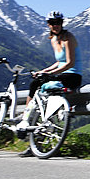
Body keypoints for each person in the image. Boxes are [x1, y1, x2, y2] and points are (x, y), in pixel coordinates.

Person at [18, 10, 82, 157]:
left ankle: (27, 120)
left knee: (39, 85)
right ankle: (28, 124)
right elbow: (59, 62)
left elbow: (70, 62)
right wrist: (43, 71)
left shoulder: (68, 37)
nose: (56, 25)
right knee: (35, 84)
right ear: (48, 25)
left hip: (73, 76)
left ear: (62, 23)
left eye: (58, 22)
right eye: (53, 23)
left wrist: (50, 75)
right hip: (61, 73)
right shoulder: (53, 39)